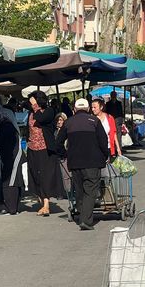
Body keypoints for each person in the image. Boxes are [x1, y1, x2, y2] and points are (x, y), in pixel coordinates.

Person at [57, 99, 109, 231]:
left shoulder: (68, 123)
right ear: (88, 109)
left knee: (79, 191)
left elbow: (58, 142)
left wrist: (65, 154)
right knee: (90, 191)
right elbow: (103, 141)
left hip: (75, 163)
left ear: (74, 109)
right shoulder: (94, 121)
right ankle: (85, 220)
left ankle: (81, 215)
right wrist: (105, 155)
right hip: (92, 162)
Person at [27, 91, 64, 216]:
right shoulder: (31, 113)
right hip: (32, 148)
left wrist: (35, 106)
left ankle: (46, 204)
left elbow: (41, 119)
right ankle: (42, 199)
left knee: (45, 176)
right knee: (35, 174)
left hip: (45, 149)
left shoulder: (48, 111)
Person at [0, 113, 25, 215]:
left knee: (10, 181)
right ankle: (11, 206)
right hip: (10, 156)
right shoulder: (7, 126)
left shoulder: (6, 127)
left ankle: (11, 207)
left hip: (14, 157)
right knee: (10, 181)